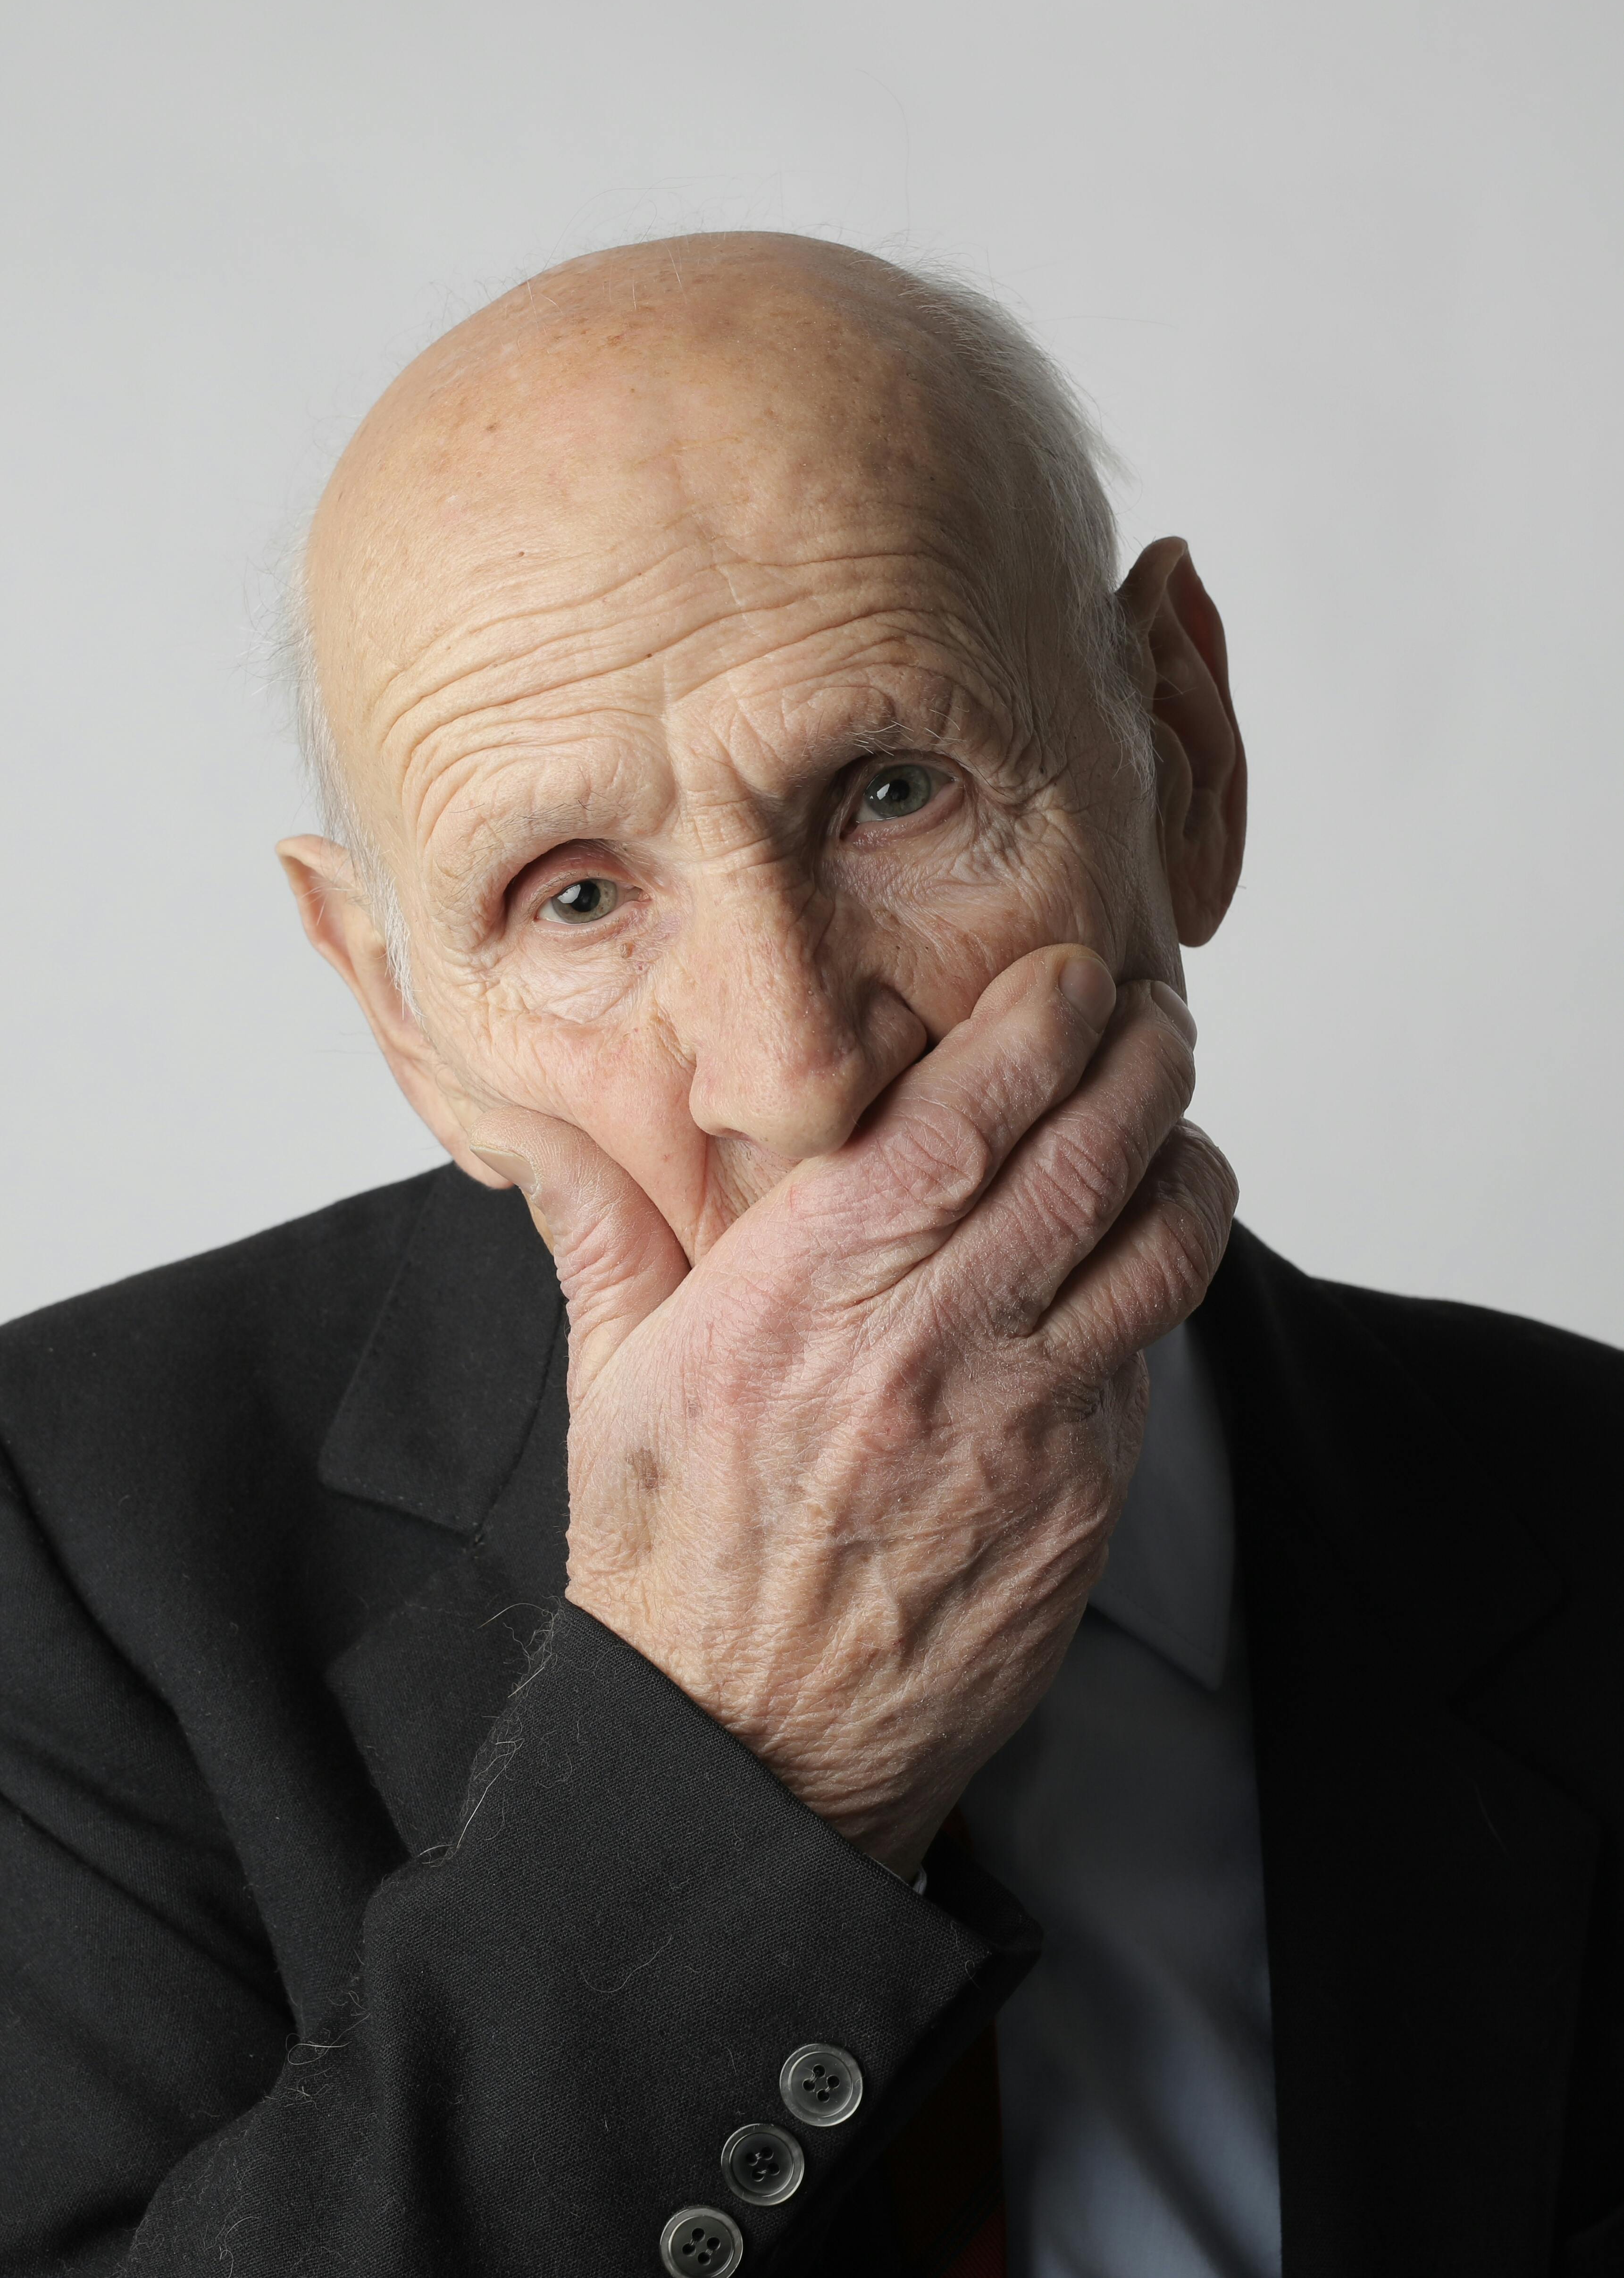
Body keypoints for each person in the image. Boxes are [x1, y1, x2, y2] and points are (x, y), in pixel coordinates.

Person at [0, 233, 1618, 2278]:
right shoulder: (64, 1545)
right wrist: (737, 1760)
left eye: (891, 788)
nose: (797, 1073)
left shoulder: (1585, 1506)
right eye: (576, 895)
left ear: (1182, 755)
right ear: (403, 1012)